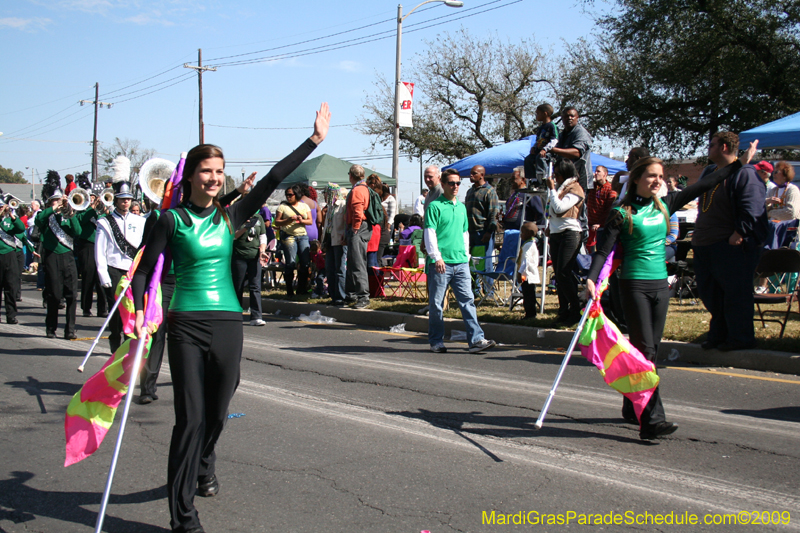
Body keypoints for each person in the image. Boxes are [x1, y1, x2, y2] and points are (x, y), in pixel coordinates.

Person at [131, 103, 329, 533]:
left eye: (220, 171)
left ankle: (205, 464)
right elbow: (144, 270)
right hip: (184, 322)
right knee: (191, 419)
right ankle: (183, 516)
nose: (215, 178)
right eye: (207, 170)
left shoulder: (230, 216)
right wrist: (138, 311)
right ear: (191, 176)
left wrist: (313, 140)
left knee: (218, 413)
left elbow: (275, 178)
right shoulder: (170, 220)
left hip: (227, 323)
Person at [586, 145, 757, 439]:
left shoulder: (666, 204)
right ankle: (652, 420)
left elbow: (707, 182)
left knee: (647, 350)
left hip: (660, 286)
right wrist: (590, 279)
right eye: (651, 176)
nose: (657, 181)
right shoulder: (621, 212)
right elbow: (603, 251)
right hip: (633, 285)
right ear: (637, 178)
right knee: (647, 350)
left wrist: (739, 163)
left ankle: (633, 404)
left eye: (661, 176)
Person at [692, 132, 768, 352]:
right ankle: (718, 335)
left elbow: (752, 208)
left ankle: (740, 338)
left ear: (724, 147)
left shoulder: (746, 174)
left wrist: (739, 232)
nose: (708, 148)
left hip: (729, 246)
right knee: (711, 294)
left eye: (712, 144)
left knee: (735, 294)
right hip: (705, 244)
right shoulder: (710, 172)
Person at [424, 170, 496, 354]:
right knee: (437, 303)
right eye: (451, 183)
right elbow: (430, 233)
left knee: (468, 301)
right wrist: (436, 257)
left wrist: (466, 255)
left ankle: (476, 340)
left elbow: (465, 233)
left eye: (458, 183)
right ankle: (436, 341)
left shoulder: (462, 207)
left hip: (461, 262)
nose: (455, 186)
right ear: (444, 184)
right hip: (441, 263)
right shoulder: (435, 206)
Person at [95, 182, 146, 353]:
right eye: (122, 199)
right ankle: (115, 341)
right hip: (114, 269)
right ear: (116, 200)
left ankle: (128, 344)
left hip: (133, 271)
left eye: (128, 199)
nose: (126, 202)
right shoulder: (105, 222)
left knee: (132, 309)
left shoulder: (139, 221)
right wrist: (104, 275)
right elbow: (100, 250)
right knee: (116, 310)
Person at [35, 188, 81, 339]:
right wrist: (54, 207)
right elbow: (38, 219)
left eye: (60, 199)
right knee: (54, 295)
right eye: (55, 200)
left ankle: (70, 330)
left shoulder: (69, 215)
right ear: (50, 203)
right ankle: (51, 328)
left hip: (68, 256)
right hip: (51, 256)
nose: (59, 202)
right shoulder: (47, 216)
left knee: (72, 295)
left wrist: (71, 211)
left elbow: (78, 231)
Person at [545, 159, 585, 326]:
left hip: (570, 233)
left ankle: (575, 309)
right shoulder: (560, 188)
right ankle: (563, 311)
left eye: (558, 175)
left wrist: (552, 189)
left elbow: (561, 208)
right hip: (555, 233)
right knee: (559, 274)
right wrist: (549, 226)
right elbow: (551, 210)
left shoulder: (575, 188)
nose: (555, 178)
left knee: (564, 272)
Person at [74, 188, 109, 318]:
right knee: (88, 278)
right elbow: (81, 220)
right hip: (87, 246)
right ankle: (86, 307)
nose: (94, 200)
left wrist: (105, 209)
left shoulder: (101, 212)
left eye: (95, 197)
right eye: (91, 197)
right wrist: (92, 208)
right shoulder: (81, 211)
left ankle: (102, 308)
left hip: (101, 247)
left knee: (101, 278)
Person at [275, 184, 312, 296]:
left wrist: (301, 220)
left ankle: (301, 289)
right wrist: (288, 220)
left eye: (290, 195)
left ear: (297, 194)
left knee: (305, 263)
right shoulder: (282, 207)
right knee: (290, 263)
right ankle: (289, 290)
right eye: (287, 195)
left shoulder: (304, 206)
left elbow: (310, 221)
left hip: (302, 236)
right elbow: (277, 222)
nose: (288, 197)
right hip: (289, 236)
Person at [232, 209, 267, 325]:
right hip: (239, 255)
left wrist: (262, 251)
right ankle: (236, 314)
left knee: (255, 286)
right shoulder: (237, 216)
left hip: (255, 256)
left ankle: (256, 316)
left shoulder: (258, 217)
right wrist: (246, 227)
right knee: (238, 285)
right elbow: (232, 236)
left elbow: (262, 237)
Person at [345, 164, 371, 308]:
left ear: (351, 175)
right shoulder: (364, 188)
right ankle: (351, 294)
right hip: (361, 227)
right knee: (353, 262)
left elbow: (357, 210)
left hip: (358, 228)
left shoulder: (358, 190)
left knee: (357, 262)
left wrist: (355, 227)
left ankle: (363, 296)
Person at [465, 165, 501, 256]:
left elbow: (494, 213)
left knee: (483, 262)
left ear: (482, 175)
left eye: (474, 173)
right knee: (472, 261)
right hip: (469, 232)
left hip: (482, 232)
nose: (471, 176)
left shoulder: (489, 191)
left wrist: (489, 232)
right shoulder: (470, 191)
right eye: (470, 173)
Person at [0, 198, 25, 324]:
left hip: (10, 255)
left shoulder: (10, 220)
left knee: (11, 286)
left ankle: (11, 315)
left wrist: (12, 216)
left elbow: (21, 228)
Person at [322, 184, 348, 306]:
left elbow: (346, 223)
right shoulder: (330, 207)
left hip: (339, 241)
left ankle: (341, 296)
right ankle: (332, 295)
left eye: (326, 193)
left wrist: (345, 236)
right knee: (330, 269)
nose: (324, 195)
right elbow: (326, 227)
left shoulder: (343, 205)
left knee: (340, 269)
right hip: (329, 241)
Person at [523, 103, 559, 184]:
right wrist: (534, 147)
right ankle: (532, 179)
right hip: (538, 151)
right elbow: (538, 140)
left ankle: (543, 178)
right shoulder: (541, 128)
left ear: (545, 113)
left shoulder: (552, 126)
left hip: (548, 153)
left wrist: (545, 149)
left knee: (540, 158)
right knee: (528, 159)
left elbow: (554, 140)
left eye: (538, 113)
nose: (536, 115)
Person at [502, 166, 545, 230]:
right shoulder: (513, 195)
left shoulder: (530, 194)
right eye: (511, 179)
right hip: (509, 232)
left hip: (523, 234)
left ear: (523, 179)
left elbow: (541, 214)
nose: (511, 181)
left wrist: (537, 230)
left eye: (514, 178)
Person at [586, 165, 617, 252]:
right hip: (589, 226)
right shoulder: (591, 187)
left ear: (605, 174)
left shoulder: (610, 188)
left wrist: (600, 223)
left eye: (598, 171)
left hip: (602, 227)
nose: (595, 173)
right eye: (595, 171)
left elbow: (609, 209)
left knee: (600, 252)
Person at [517, 221, 540, 320]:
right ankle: (530, 313)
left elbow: (526, 261)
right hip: (530, 274)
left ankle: (530, 314)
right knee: (529, 295)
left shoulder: (528, 245)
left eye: (523, 232)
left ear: (529, 233)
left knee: (528, 296)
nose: (521, 234)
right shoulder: (531, 243)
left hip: (528, 275)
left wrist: (519, 272)